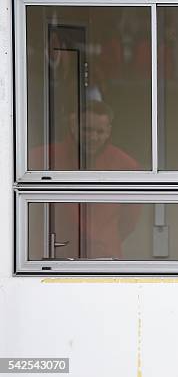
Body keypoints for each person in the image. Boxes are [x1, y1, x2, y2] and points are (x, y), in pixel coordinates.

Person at [30, 100, 142, 259]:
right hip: (50, 256)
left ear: (109, 131)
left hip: (103, 257)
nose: (93, 137)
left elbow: (129, 220)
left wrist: (101, 240)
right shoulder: (40, 158)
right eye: (87, 130)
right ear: (73, 126)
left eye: (100, 131)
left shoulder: (126, 165)